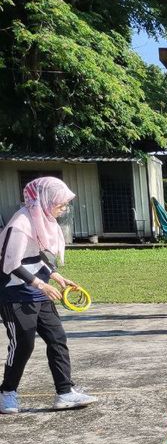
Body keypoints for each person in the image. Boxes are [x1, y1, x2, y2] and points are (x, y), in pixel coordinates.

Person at [0, 177, 96, 414]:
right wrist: (40, 285)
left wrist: (55, 276)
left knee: (57, 338)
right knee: (23, 344)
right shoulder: (21, 222)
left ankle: (65, 392)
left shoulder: (42, 219)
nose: (63, 209)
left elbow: (36, 257)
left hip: (37, 290)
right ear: (44, 200)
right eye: (60, 204)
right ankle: (6, 393)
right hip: (15, 293)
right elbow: (9, 262)